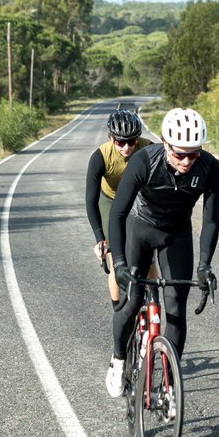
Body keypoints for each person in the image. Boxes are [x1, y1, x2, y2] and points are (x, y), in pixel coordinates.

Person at [105, 107, 219, 397]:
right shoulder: (144, 161)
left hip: (176, 233)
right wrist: (119, 262)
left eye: (193, 154)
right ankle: (119, 360)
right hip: (140, 226)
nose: (186, 161)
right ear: (164, 143)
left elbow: (210, 220)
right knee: (133, 301)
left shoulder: (211, 168)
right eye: (179, 154)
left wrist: (205, 265)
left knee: (175, 310)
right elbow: (118, 214)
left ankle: (169, 386)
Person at [85, 106, 145, 306]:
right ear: (111, 138)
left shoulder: (148, 149)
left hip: (138, 202)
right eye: (120, 142)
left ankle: (153, 303)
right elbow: (91, 200)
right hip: (110, 201)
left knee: (149, 255)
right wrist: (100, 238)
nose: (126, 147)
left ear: (138, 138)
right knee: (114, 257)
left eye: (131, 141)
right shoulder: (100, 156)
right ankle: (119, 310)